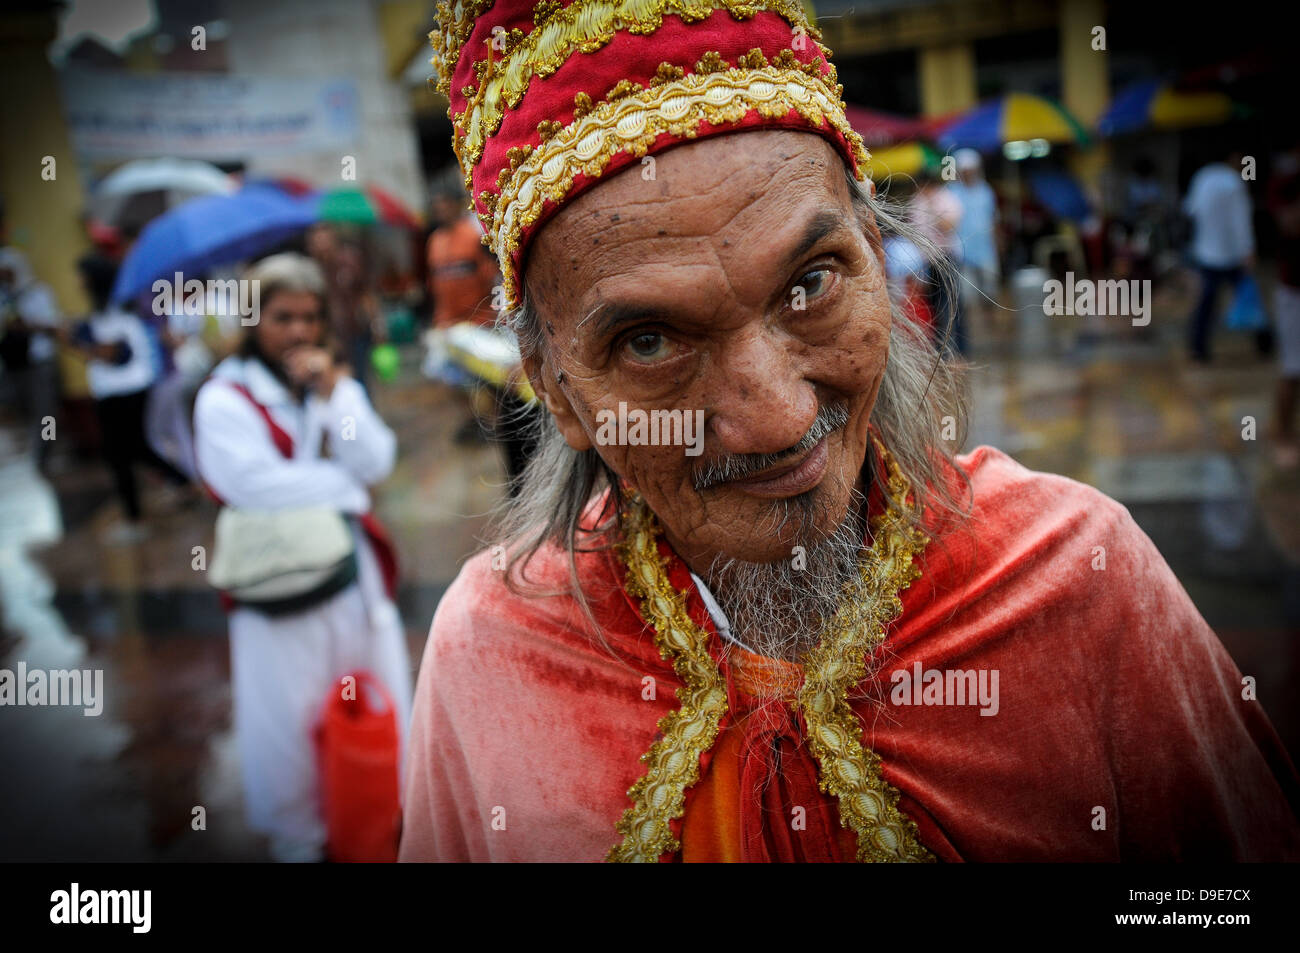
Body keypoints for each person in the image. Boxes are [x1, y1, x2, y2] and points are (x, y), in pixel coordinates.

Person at [400, 1, 1300, 862]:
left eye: (812, 285)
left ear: (877, 254)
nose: (781, 421)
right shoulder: (491, 653)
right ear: (553, 386)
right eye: (649, 341)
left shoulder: (1083, 579)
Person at [193, 253, 412, 862]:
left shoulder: (329, 386)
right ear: (252, 320)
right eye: (282, 316)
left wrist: (338, 393)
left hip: (348, 576)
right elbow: (251, 487)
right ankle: (300, 839)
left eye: (310, 318)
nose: (298, 332)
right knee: (286, 716)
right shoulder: (223, 398)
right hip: (278, 585)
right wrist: (342, 490)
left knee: (366, 689)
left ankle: (372, 813)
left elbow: (375, 461)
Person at [65, 255, 188, 543]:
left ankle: (138, 515)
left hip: (127, 388)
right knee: (130, 449)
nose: (77, 281)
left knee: (123, 451)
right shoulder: (106, 309)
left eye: (81, 275)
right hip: (116, 389)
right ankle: (178, 484)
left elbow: (114, 354)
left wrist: (77, 341)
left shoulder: (119, 308)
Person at [1183, 149, 1256, 362]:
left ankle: (1198, 347)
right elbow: (1241, 221)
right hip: (1231, 253)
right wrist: (1248, 249)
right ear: (1233, 158)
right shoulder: (1234, 183)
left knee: (1206, 302)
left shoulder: (1202, 177)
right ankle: (1265, 340)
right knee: (1247, 296)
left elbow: (1190, 210)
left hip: (1206, 252)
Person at [0, 247, 61, 470]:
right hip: (13, 364)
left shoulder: (37, 292)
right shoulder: (3, 297)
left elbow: (55, 326)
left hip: (39, 360)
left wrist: (26, 326)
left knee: (46, 413)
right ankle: (30, 455)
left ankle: (47, 455)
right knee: (19, 409)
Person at [946, 148, 1000, 354]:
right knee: (966, 298)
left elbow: (992, 220)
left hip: (986, 251)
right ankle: (972, 336)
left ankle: (993, 332)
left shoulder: (986, 191)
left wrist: (997, 245)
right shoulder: (953, 193)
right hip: (963, 253)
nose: (968, 173)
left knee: (990, 294)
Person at [1268, 140, 1300, 468]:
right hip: (1293, 289)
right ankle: (1283, 434)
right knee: (1293, 367)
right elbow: (1289, 223)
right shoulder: (1285, 184)